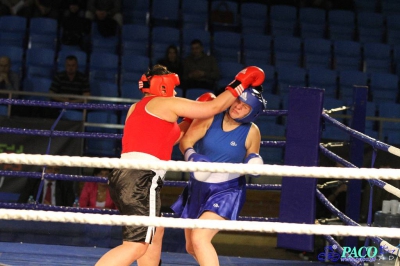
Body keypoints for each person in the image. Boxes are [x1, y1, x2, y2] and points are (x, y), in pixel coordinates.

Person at [95, 64, 265, 266]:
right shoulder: (166, 103)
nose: (175, 91)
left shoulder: (136, 108)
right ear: (163, 86)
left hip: (123, 176)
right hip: (141, 178)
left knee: (156, 232)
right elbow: (213, 107)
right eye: (173, 86)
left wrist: (188, 120)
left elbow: (169, 139)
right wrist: (241, 81)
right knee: (137, 245)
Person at [170, 87, 266, 266]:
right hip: (198, 186)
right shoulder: (210, 116)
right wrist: (194, 156)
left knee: (200, 238)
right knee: (191, 246)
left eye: (245, 107)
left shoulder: (252, 131)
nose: (238, 107)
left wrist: (254, 162)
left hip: (227, 190)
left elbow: (252, 157)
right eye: (238, 101)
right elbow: (186, 141)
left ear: (252, 113)